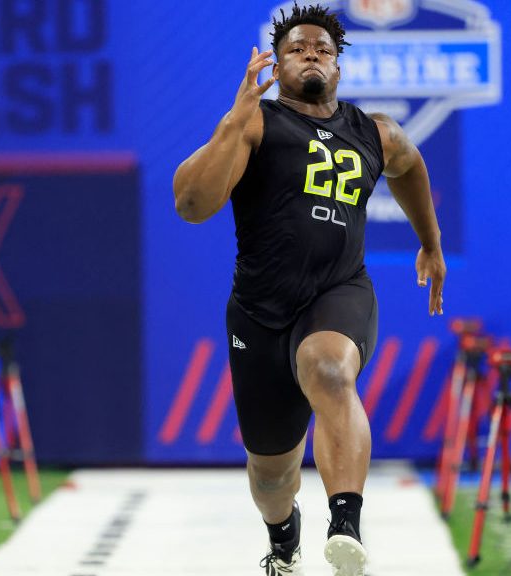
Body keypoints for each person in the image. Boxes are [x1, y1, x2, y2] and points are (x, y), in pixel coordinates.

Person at [172, 4, 445, 575]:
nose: (312, 55)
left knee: (329, 369)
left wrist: (431, 243)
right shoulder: (257, 123)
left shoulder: (375, 131)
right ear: (278, 62)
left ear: (339, 65)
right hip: (259, 313)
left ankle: (345, 521)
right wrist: (232, 118)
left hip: (339, 290)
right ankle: (283, 534)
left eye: (322, 48)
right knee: (272, 473)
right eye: (297, 49)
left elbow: (412, 167)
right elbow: (191, 205)